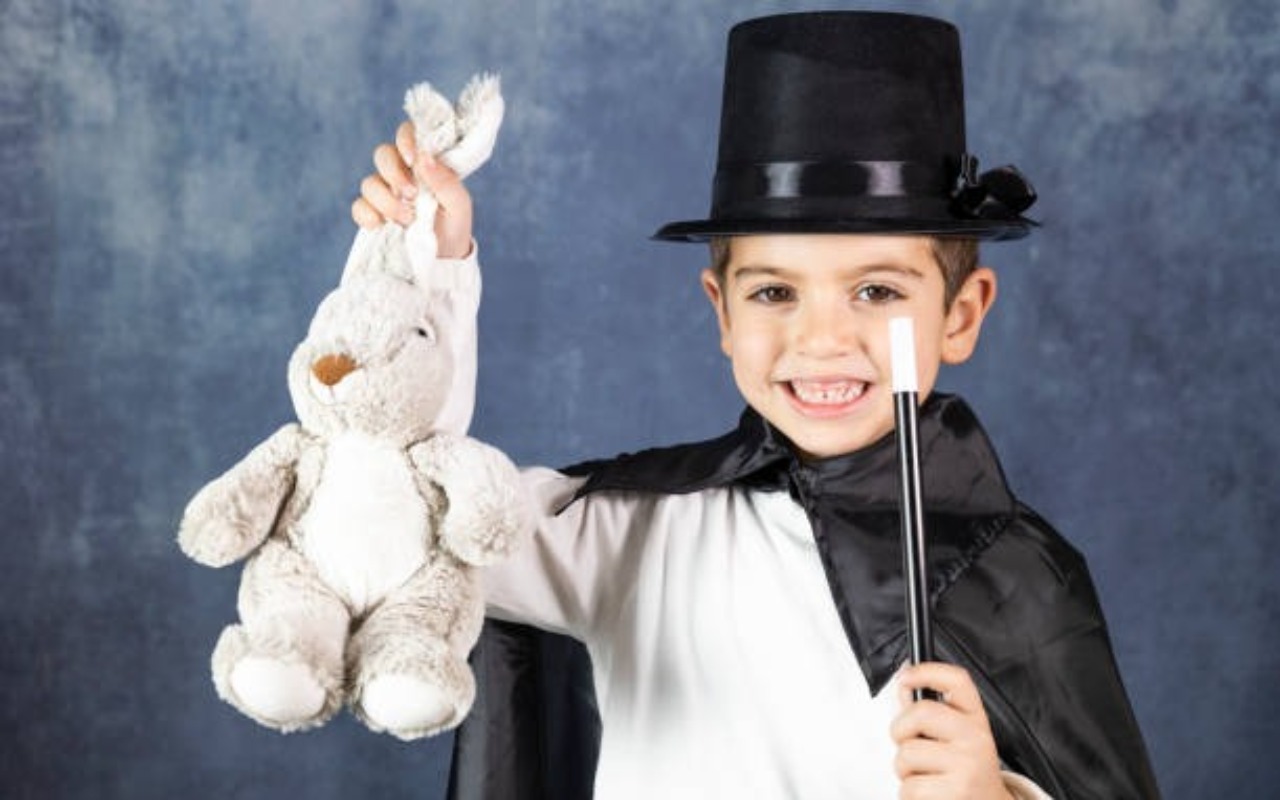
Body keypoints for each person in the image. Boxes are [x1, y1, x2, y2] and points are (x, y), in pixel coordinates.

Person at [353, 11, 1159, 800]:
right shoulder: (626, 534)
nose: (822, 338)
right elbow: (392, 516)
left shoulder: (1022, 581)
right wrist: (422, 272)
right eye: (775, 292)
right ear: (723, 312)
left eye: (877, 291)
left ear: (961, 314)